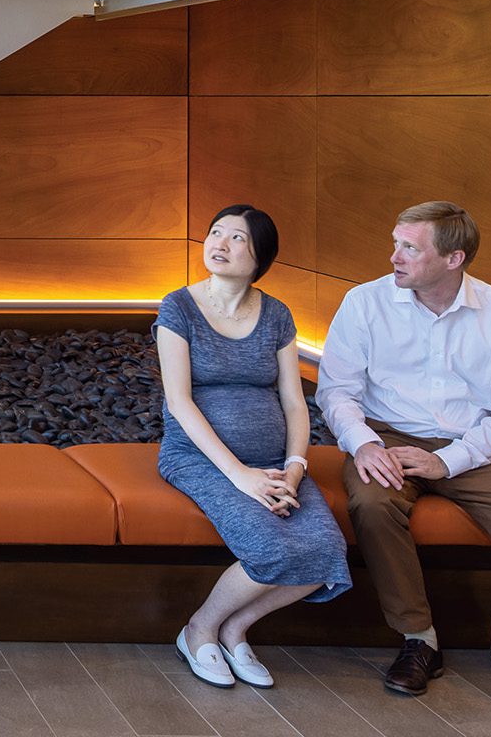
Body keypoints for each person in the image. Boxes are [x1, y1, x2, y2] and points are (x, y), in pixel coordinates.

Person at [317, 201, 491, 700]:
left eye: (409, 248)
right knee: (371, 505)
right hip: (386, 435)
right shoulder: (364, 303)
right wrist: (365, 444)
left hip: (473, 447)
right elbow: (337, 391)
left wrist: (447, 460)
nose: (394, 256)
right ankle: (419, 639)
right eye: (396, 243)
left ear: (453, 259)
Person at [155, 206, 350, 691]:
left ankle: (236, 627)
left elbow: (294, 402)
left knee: (327, 553)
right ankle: (198, 629)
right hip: (200, 459)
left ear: (260, 254)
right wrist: (239, 473)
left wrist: (295, 468)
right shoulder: (178, 308)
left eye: (237, 238)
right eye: (215, 232)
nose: (219, 243)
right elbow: (178, 400)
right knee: (270, 549)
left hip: (275, 465)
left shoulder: (277, 314)